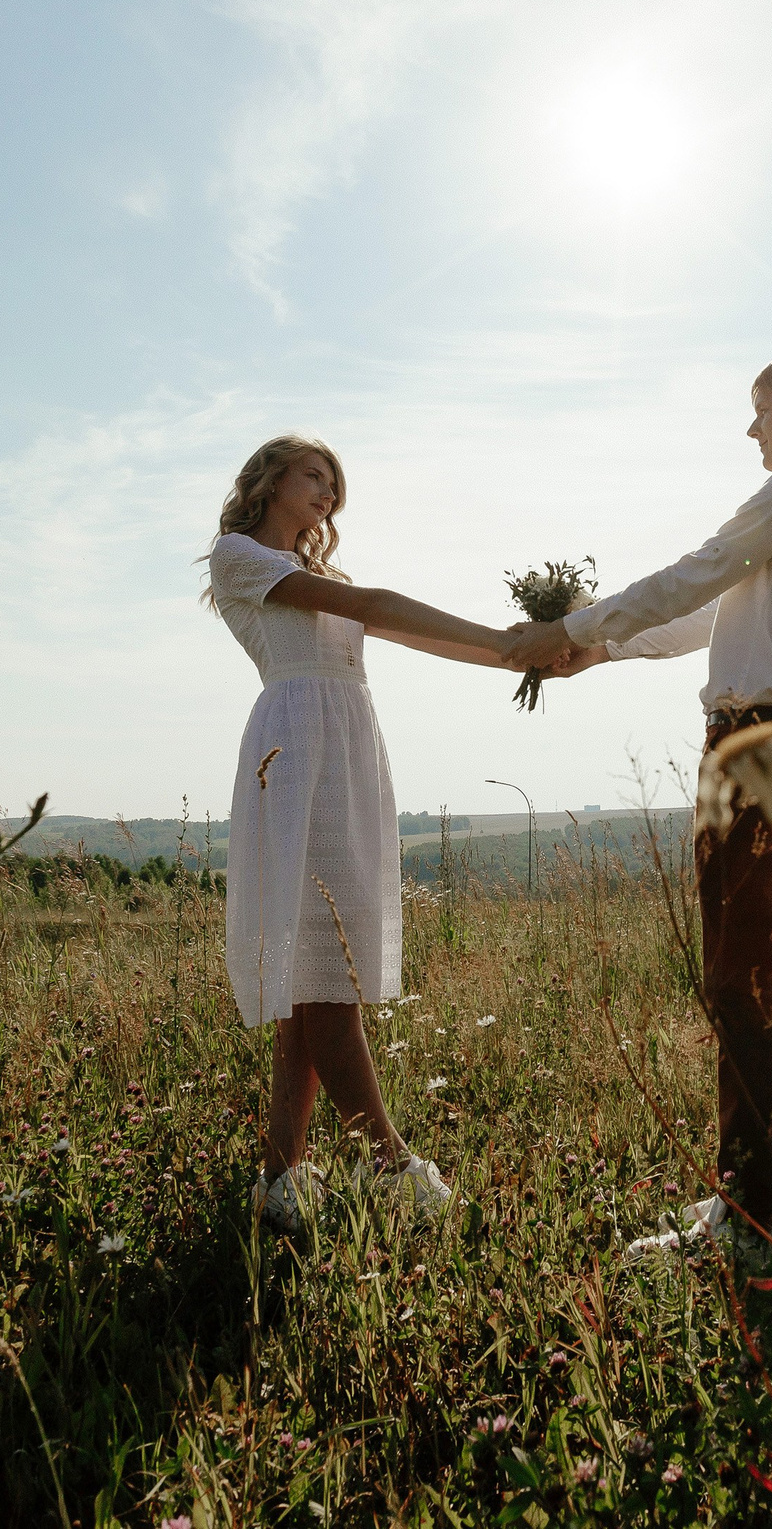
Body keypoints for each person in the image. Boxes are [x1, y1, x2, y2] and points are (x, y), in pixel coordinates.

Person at [506, 349, 772, 1254]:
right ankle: (751, 1200)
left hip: (763, 749)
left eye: (760, 408)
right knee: (751, 977)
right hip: (766, 746)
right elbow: (711, 614)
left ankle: (750, 1218)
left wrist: (570, 624)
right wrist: (599, 650)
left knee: (738, 981)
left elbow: (702, 568)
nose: (751, 427)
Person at [206, 434, 523, 1233]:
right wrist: (504, 640)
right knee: (327, 978)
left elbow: (398, 629)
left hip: (344, 750)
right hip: (297, 749)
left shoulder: (322, 578)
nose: (329, 493)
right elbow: (379, 607)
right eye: (317, 475)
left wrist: (512, 656)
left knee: (308, 986)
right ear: (271, 477)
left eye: (336, 483)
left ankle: (279, 1180)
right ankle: (391, 1165)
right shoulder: (238, 555)